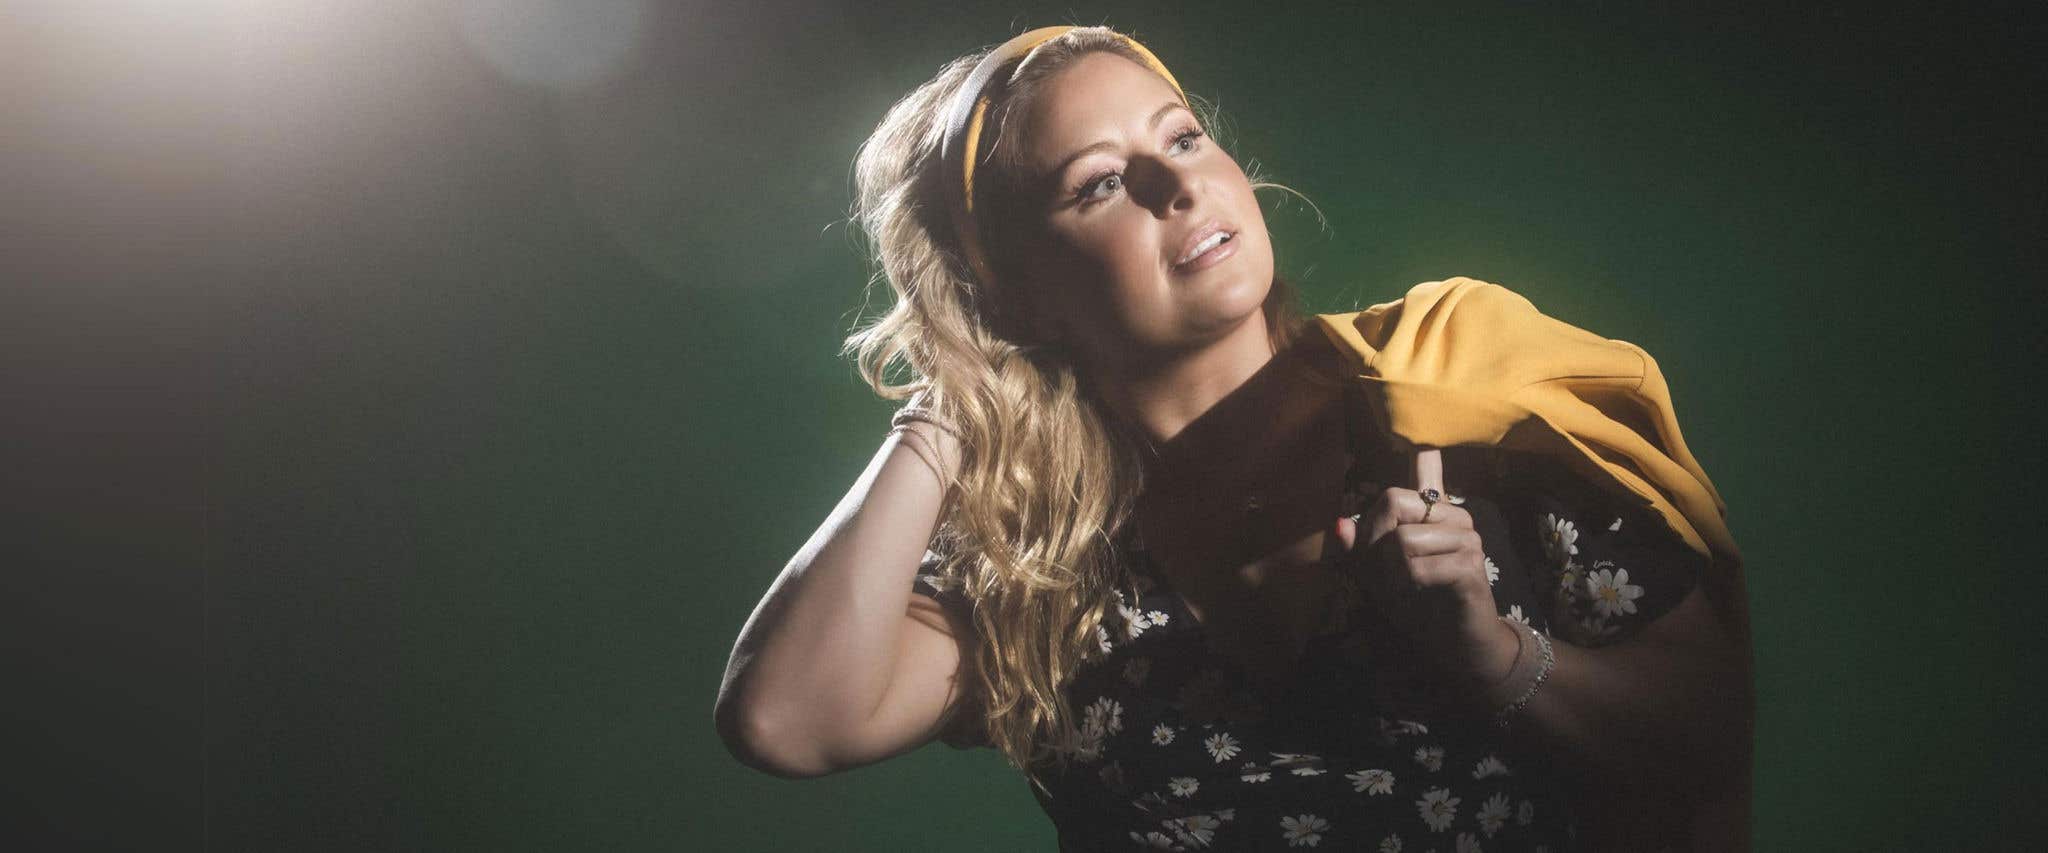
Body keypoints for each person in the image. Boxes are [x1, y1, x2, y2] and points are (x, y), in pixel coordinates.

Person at [715, 25, 1752, 852]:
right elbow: (786, 721)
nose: (1178, 185)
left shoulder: (1463, 384)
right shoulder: (1034, 557)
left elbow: (1705, 740)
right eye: (1097, 184)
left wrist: (1496, 655)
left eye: (1179, 137)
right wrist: (955, 389)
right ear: (1017, 297)